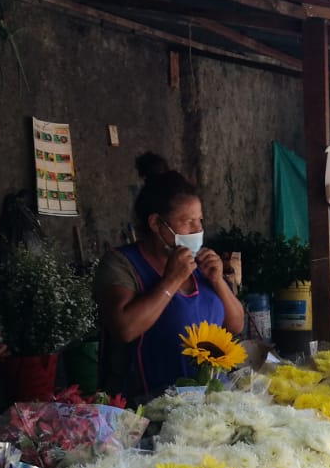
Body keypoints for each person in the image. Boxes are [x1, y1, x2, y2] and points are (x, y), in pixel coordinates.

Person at [94, 153, 244, 400]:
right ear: (156, 223)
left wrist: (218, 282)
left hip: (212, 401)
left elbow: (235, 325)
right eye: (187, 222)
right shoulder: (121, 264)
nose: (198, 230)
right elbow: (125, 329)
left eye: (200, 221)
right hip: (148, 406)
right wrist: (171, 281)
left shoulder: (203, 264)